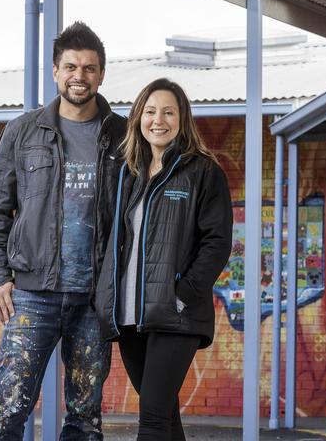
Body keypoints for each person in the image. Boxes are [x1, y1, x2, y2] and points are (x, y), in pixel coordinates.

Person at [0, 21, 127, 440]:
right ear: (56, 71)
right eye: (71, 67)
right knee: (7, 413)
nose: (80, 76)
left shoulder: (121, 135)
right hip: (31, 294)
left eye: (90, 68)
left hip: (94, 299)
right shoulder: (23, 132)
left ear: (101, 74)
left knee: (84, 420)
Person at [94, 78, 233, 440]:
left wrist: (184, 293)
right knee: (165, 415)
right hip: (129, 315)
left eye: (168, 112)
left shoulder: (202, 171)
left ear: (182, 119)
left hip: (175, 313)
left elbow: (217, 241)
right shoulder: (128, 175)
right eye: (151, 111)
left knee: (152, 418)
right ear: (138, 117)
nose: (159, 120)